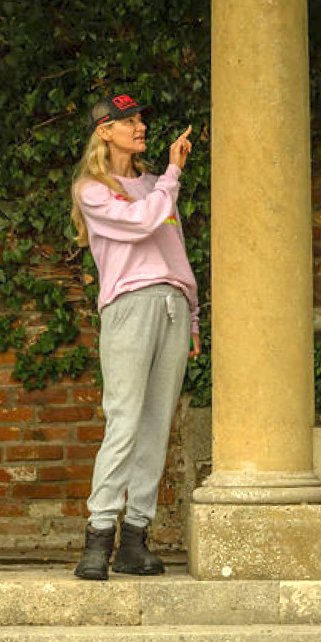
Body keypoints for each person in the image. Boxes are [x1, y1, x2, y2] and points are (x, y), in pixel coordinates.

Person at [68, 91, 200, 580]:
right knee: (124, 420)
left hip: (172, 305)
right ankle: (98, 537)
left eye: (141, 118)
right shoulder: (92, 189)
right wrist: (173, 173)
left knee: (156, 425)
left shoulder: (153, 184)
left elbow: (174, 249)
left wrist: (192, 317)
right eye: (128, 121)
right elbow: (144, 223)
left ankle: (135, 540)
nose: (140, 126)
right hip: (129, 305)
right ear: (104, 131)